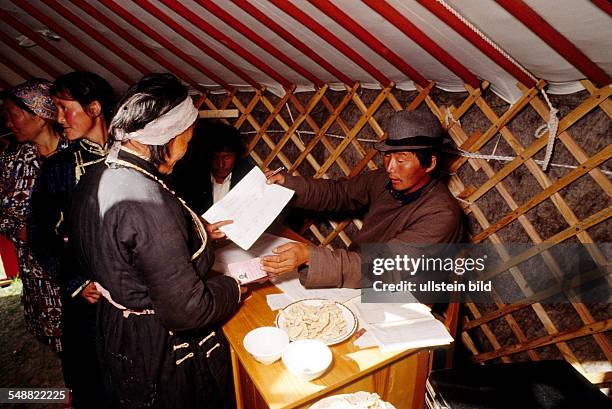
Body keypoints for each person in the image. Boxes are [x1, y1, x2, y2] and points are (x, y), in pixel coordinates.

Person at [69, 73, 242, 409]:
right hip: (160, 346)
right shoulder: (147, 201)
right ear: (167, 135)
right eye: (186, 140)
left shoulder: (97, 175)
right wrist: (234, 287)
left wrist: (197, 233)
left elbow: (122, 249)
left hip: (117, 328)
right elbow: (187, 311)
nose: (187, 148)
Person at [261, 109, 464, 288]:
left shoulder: (441, 214)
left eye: (401, 159)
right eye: (387, 156)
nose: (390, 167)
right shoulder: (384, 180)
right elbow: (338, 193)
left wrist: (310, 256)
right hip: (360, 277)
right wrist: (287, 184)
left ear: (430, 164)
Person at [27, 72, 115, 408]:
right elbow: (38, 233)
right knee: (91, 384)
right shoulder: (60, 168)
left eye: (65, 109)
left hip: (137, 293)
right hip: (89, 295)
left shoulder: (137, 156)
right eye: (55, 110)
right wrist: (76, 282)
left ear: (94, 108)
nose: (58, 118)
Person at [0, 79, 65, 352]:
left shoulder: (76, 157)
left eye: (14, 116)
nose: (8, 124)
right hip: (36, 277)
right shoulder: (11, 163)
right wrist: (18, 230)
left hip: (74, 276)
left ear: (40, 115)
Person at [172, 119, 254, 215]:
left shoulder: (248, 178)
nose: (220, 164)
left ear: (236, 155)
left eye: (226, 157)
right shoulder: (192, 180)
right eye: (215, 157)